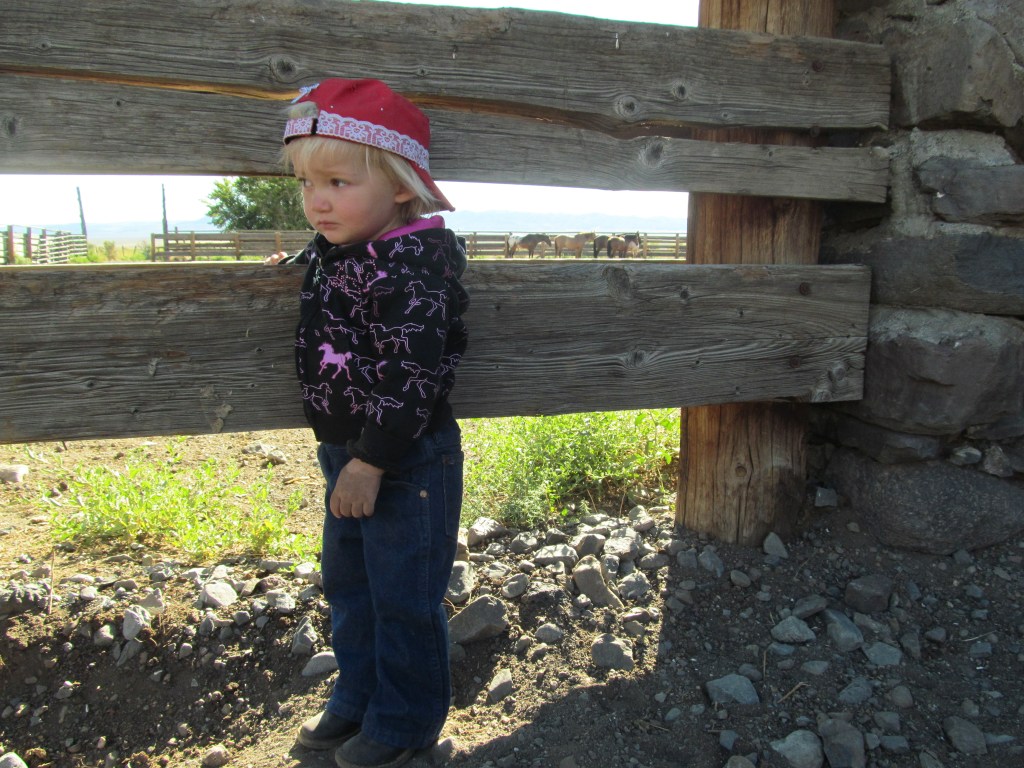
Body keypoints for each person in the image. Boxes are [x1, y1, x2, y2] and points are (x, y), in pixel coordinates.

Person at [278, 78, 469, 768]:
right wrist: (302, 261)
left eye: (336, 180)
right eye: (305, 183)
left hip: (401, 460)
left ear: (400, 185)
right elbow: (337, 271)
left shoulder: (413, 268)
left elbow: (412, 377)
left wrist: (370, 462)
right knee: (351, 588)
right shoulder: (347, 249)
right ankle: (357, 699)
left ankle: (404, 723)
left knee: (402, 598)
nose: (316, 200)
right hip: (349, 455)